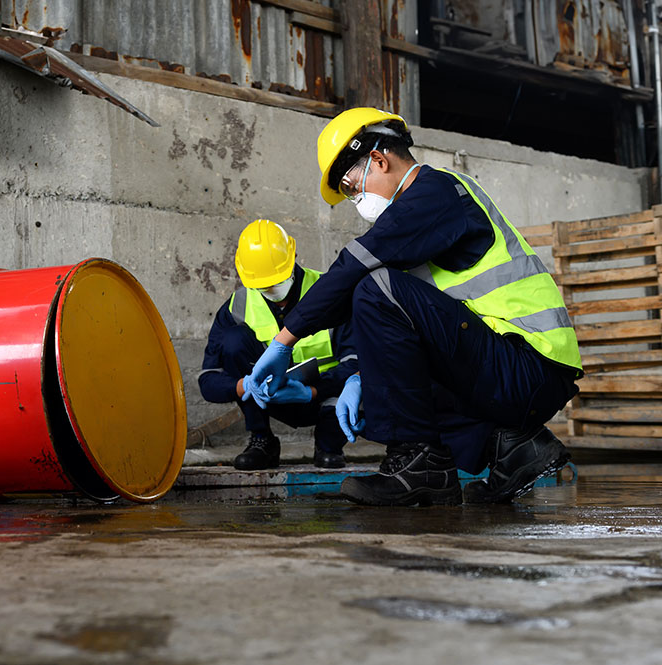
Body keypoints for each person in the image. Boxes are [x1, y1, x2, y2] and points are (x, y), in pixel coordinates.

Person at [241, 108, 582, 506]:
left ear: (379, 160)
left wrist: (283, 341)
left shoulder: (436, 194)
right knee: (383, 387)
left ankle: (420, 464)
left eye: (352, 187)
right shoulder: (421, 221)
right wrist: (363, 378)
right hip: (512, 367)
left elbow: (355, 268)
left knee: (373, 286)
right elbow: (402, 333)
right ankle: (511, 448)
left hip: (530, 364)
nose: (355, 200)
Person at [199, 219, 360, 471]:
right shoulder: (237, 307)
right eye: (264, 285)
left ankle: (329, 444)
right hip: (270, 399)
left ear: (294, 255)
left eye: (278, 278)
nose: (272, 288)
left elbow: (357, 363)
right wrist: (246, 385)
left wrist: (313, 392)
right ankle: (262, 440)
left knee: (358, 386)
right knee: (233, 341)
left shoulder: (329, 292)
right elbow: (208, 381)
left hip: (325, 397)